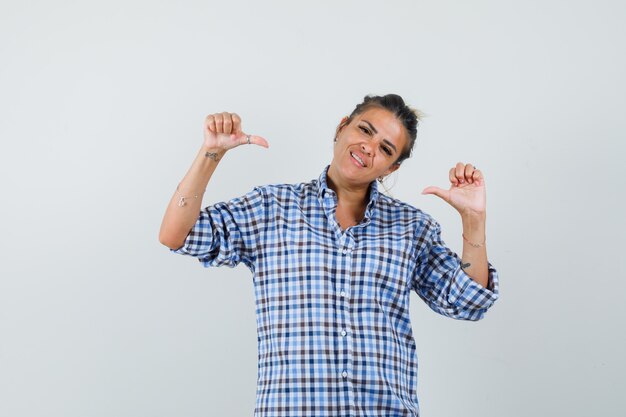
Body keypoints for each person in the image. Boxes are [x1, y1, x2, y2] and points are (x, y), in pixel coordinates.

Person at [159, 94, 499, 416]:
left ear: (390, 169)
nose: (368, 147)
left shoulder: (411, 228)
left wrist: (473, 219)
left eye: (385, 149)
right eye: (365, 130)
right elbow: (178, 235)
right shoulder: (271, 208)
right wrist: (211, 153)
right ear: (342, 127)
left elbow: (467, 302)